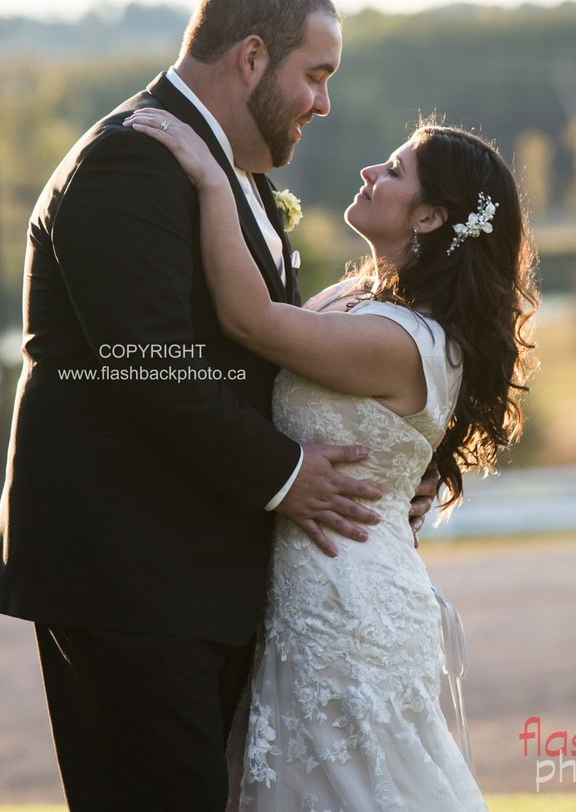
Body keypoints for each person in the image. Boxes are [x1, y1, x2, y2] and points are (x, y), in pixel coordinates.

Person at [0, 0, 437, 811]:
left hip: (204, 581)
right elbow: (148, 366)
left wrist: (380, 471)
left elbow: (275, 361)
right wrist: (287, 473)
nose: (323, 103)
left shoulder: (242, 180)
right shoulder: (131, 161)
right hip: (130, 583)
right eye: (316, 75)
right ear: (251, 58)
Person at [125, 105, 539, 811]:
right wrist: (414, 469)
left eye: (396, 170)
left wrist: (212, 179)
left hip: (347, 609)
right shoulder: (358, 298)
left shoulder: (403, 338)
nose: (371, 171)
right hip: (309, 594)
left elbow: (250, 320)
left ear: (431, 218)